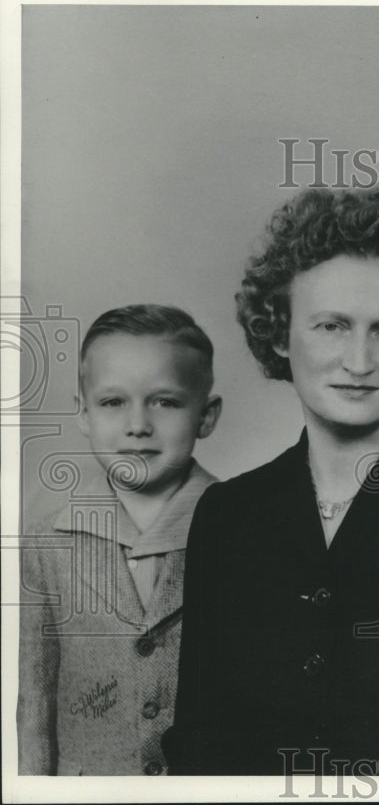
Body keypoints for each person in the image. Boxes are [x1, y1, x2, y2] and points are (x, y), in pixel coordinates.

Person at [163, 188, 379, 775]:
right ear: (280, 334)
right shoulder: (229, 514)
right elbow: (203, 740)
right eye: (331, 326)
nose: (358, 361)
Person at [17, 305, 222, 775]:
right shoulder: (46, 543)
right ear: (83, 413)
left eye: (165, 401)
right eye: (113, 402)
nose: (138, 425)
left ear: (206, 415)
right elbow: (35, 701)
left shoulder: (247, 526)